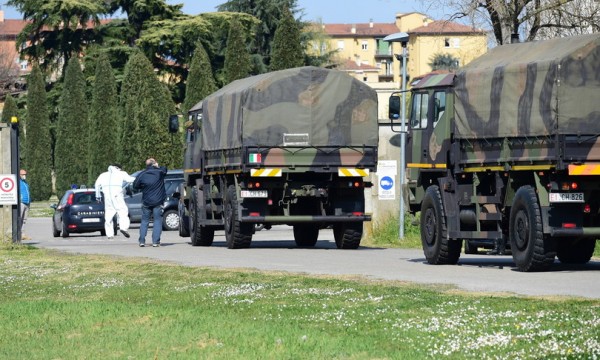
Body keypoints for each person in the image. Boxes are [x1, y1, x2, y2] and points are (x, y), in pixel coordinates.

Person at [94, 163, 135, 239]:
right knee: (123, 211)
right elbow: (130, 179)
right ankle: (123, 227)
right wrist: (139, 178)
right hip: (117, 195)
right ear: (118, 168)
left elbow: (96, 185)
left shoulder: (103, 175)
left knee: (108, 215)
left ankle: (109, 234)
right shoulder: (121, 173)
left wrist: (98, 196)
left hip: (107, 197)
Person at [133, 158, 167, 247]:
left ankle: (142, 241)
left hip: (146, 201)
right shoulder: (159, 172)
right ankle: (155, 242)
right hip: (158, 201)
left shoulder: (142, 174)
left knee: (144, 221)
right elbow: (165, 169)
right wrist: (157, 165)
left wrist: (143, 186)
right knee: (157, 221)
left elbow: (135, 186)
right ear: (154, 164)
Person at [18, 169, 30, 235]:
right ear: (19, 175)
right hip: (21, 202)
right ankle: (18, 232)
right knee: (20, 218)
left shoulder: (25, 182)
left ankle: (23, 233)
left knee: (24, 219)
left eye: (25, 174)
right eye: (23, 174)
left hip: (27, 202)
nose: (24, 176)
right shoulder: (18, 182)